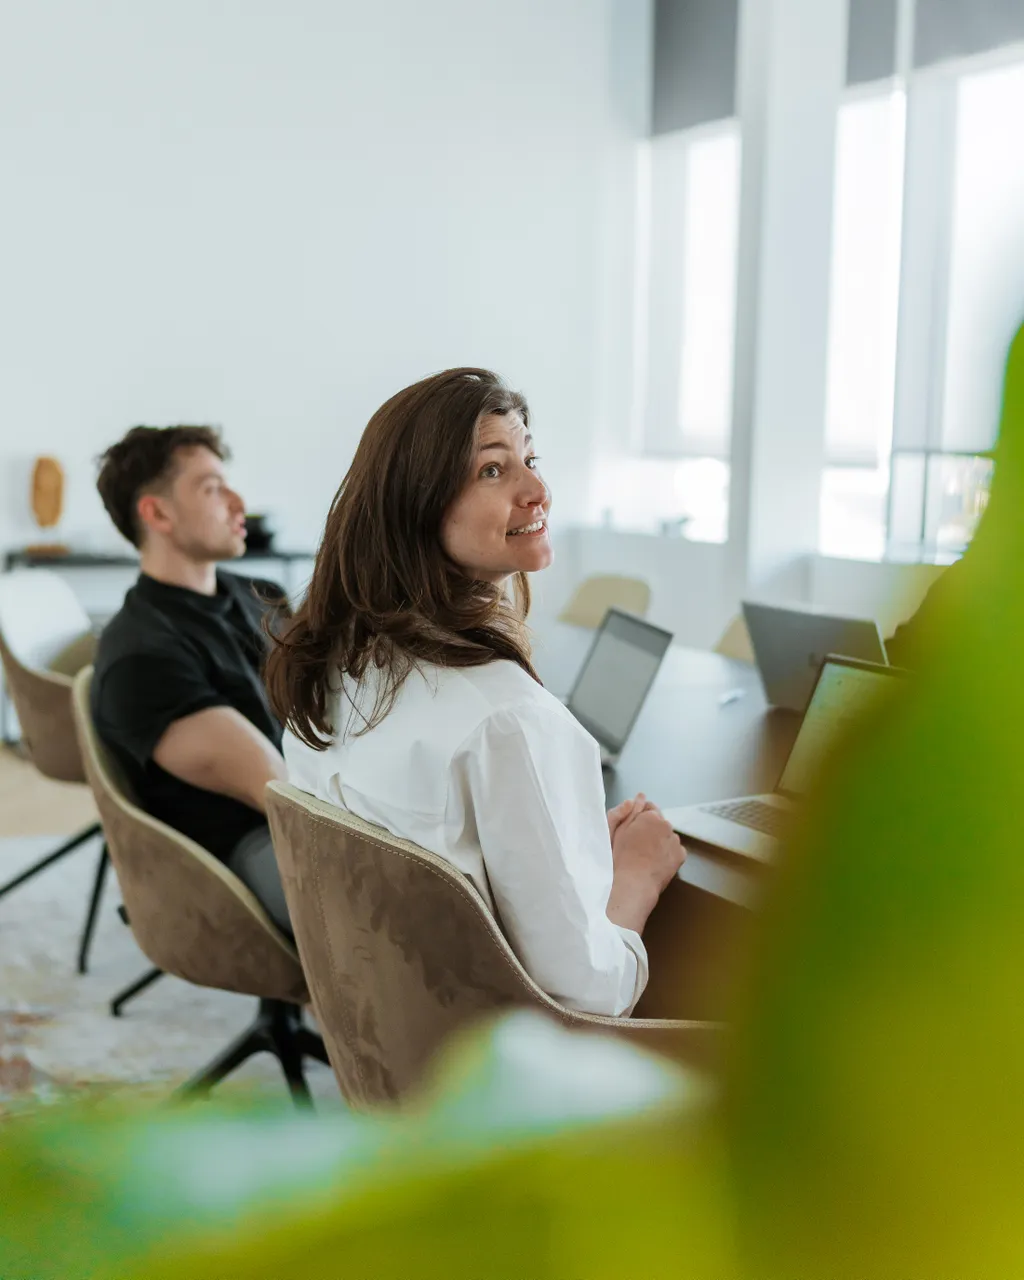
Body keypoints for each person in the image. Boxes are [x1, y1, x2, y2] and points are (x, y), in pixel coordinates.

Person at [265, 368, 685, 1016]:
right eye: (493, 470)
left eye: (530, 460)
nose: (538, 491)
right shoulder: (506, 724)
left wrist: (571, 852)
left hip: (397, 1032)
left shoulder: (329, 668)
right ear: (417, 505)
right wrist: (637, 875)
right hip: (503, 1060)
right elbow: (587, 998)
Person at [91, 425, 293, 935]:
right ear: (157, 514)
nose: (238, 502)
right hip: (253, 841)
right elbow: (276, 787)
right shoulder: (143, 655)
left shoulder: (261, 594)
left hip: (313, 802)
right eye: (211, 488)